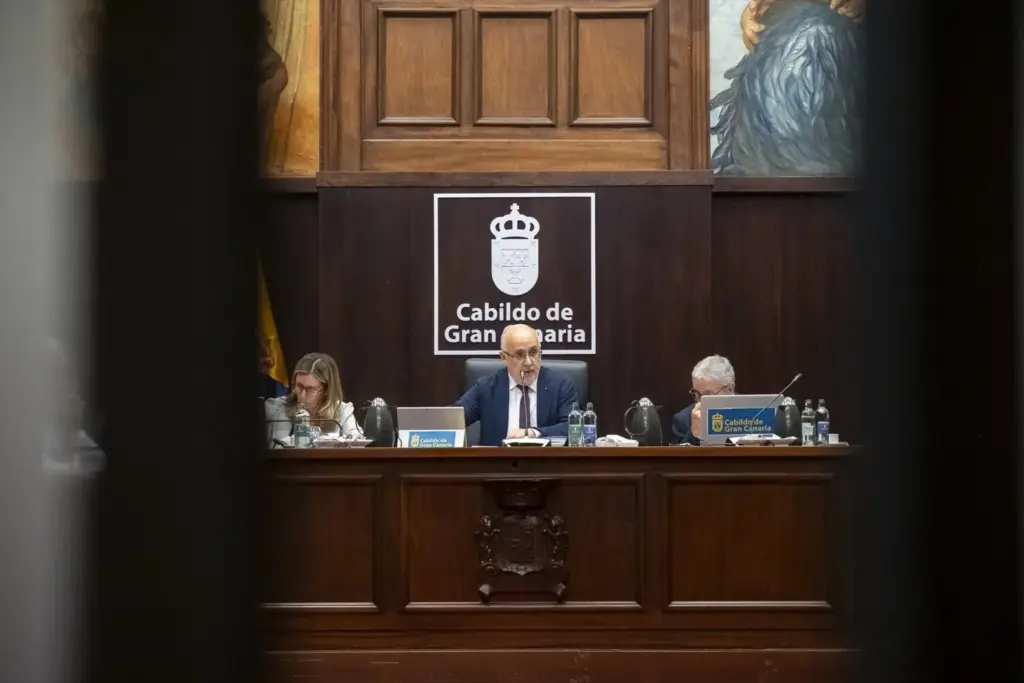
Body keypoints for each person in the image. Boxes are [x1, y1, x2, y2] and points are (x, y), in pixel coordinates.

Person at [456, 324, 578, 446]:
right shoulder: (487, 388)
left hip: (546, 463)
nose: (529, 362)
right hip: (497, 463)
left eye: (533, 352)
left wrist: (534, 433)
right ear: (503, 357)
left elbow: (574, 426)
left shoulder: (560, 385)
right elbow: (452, 419)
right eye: (520, 355)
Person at [264, 352, 360, 445]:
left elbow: (357, 441)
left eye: (310, 389)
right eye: (299, 386)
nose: (302, 395)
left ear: (327, 390)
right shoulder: (279, 408)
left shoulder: (342, 410)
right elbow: (278, 447)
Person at [671, 355, 736, 445]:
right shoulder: (683, 420)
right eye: (697, 393)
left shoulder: (755, 411)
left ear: (729, 389)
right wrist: (695, 433)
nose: (701, 401)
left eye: (708, 394)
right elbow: (678, 458)